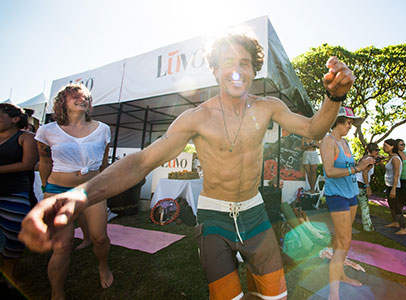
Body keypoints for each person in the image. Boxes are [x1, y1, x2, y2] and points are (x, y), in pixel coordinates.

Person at [19, 33, 355, 300]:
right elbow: (141, 161)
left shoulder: (269, 106)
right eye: (228, 62)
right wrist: (82, 196)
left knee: (275, 296)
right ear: (214, 70)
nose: (236, 70)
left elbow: (313, 129)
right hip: (214, 219)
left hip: (254, 214)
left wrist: (333, 98)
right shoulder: (195, 118)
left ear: (255, 70)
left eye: (245, 63)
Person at [34, 83, 113, 300]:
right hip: (58, 191)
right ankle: (56, 293)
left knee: (99, 237)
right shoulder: (47, 131)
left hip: (92, 189)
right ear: (63, 103)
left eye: (85, 97)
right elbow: (44, 160)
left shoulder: (103, 129)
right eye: (75, 96)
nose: (82, 99)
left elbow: (104, 163)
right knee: (63, 246)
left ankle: (103, 266)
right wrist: (45, 189)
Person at [320, 107, 374, 300]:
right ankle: (333, 292)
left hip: (351, 194)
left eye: (352, 123)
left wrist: (364, 163)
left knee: (342, 240)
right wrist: (357, 168)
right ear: (338, 122)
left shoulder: (345, 142)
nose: (351, 127)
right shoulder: (328, 141)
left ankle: (341, 274)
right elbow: (329, 171)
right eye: (349, 123)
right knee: (344, 242)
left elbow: (349, 167)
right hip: (338, 196)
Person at [0, 103, 38, 281]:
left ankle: (8, 271)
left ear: (15, 119)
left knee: (18, 235)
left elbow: (28, 164)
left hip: (13, 192)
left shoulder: (26, 137)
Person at [355, 143, 382, 232]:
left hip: (355, 184)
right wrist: (367, 186)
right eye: (375, 150)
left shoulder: (363, 158)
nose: (377, 152)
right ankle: (368, 228)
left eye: (378, 150)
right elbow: (365, 173)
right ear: (369, 151)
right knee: (365, 207)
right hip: (361, 185)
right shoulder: (370, 160)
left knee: (353, 205)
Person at [383, 139, 406, 235]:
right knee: (391, 205)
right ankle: (395, 222)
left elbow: (396, 174)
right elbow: (388, 170)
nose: (384, 148)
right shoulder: (390, 157)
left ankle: (404, 228)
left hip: (394, 186)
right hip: (389, 185)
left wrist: (393, 189)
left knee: (396, 207)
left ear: (392, 146)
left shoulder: (395, 159)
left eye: (385, 146)